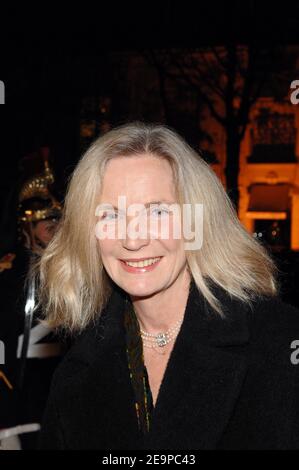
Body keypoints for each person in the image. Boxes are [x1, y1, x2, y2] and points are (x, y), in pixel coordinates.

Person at [38, 122, 299, 450]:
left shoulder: (279, 340)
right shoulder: (76, 372)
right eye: (111, 216)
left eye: (157, 212)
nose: (133, 239)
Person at [0, 148, 64, 449]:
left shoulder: (70, 273)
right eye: (47, 224)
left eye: (57, 223)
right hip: (13, 403)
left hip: (56, 402)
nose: (55, 230)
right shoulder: (8, 272)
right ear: (27, 226)